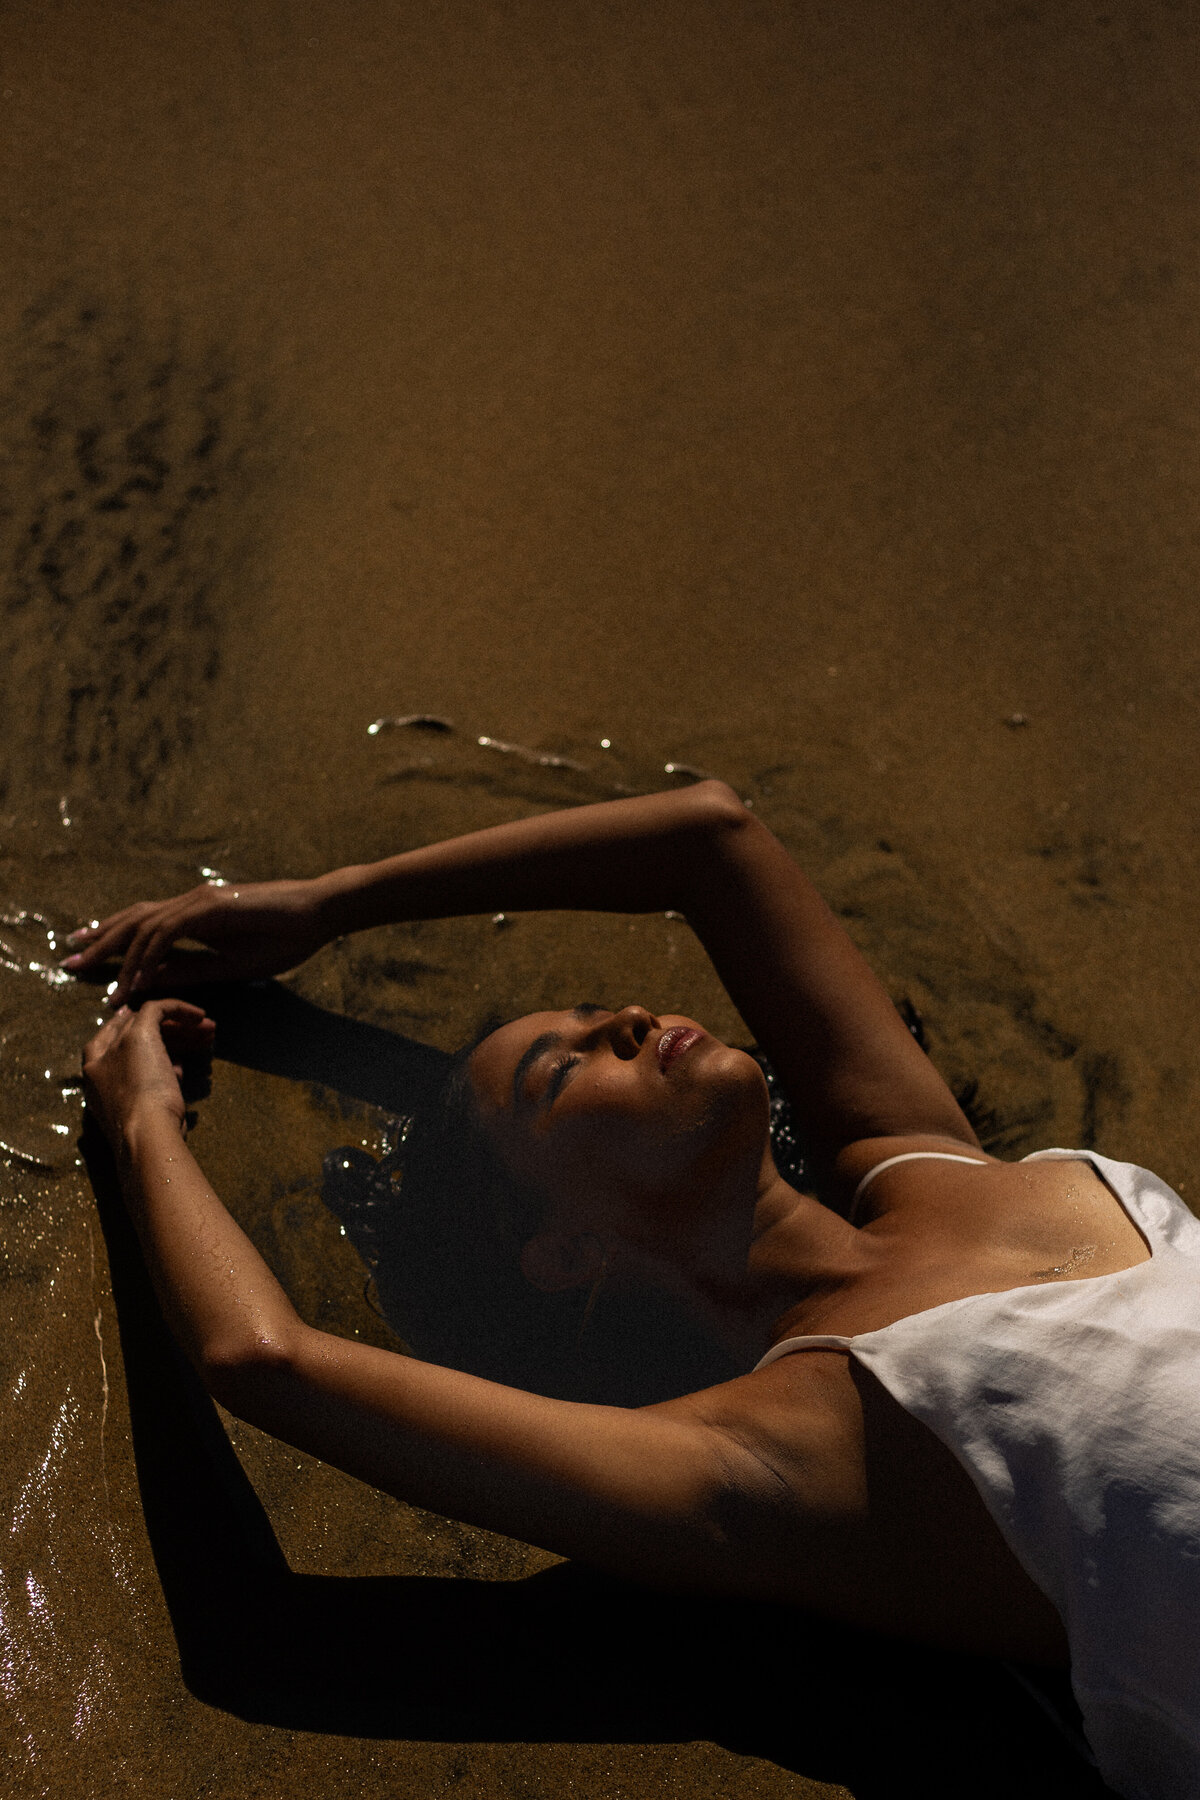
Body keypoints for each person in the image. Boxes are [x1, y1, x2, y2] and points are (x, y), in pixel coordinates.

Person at [68, 780, 1200, 1800]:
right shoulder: (773, 1451)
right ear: (563, 1254)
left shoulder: (927, 1161)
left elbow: (707, 833)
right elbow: (260, 1360)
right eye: (561, 1072)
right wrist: (143, 1123)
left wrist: (329, 902)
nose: (621, 1017)